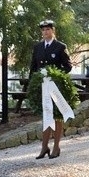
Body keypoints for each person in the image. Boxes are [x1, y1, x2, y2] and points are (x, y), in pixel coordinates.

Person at [29, 19, 72, 159]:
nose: (45, 32)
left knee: (57, 116)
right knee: (46, 116)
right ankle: (44, 147)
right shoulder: (38, 47)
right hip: (43, 86)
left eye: (48, 29)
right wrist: (32, 85)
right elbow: (33, 68)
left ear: (53, 31)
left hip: (56, 87)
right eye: (43, 30)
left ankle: (56, 147)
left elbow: (68, 66)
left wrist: (56, 76)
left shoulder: (60, 47)